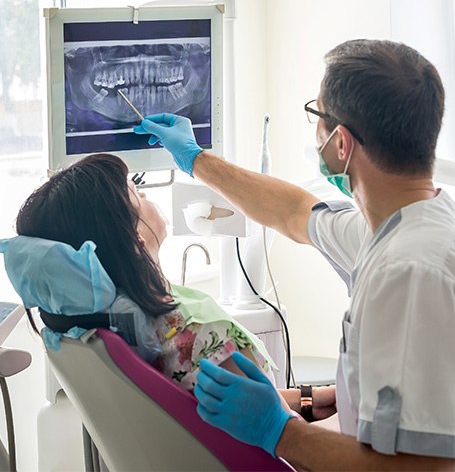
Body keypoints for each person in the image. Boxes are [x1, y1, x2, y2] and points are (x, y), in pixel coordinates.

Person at [133, 39, 455, 470]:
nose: (314, 129)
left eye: (317, 115)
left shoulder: (410, 271)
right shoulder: (404, 222)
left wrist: (280, 431)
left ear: (342, 143)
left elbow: (424, 468)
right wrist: (196, 160)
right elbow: (293, 211)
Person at [1, 152, 331, 415]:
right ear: (136, 238)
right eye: (134, 193)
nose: (144, 194)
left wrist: (308, 399)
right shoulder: (201, 335)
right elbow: (282, 439)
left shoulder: (107, 332)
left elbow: (239, 404)